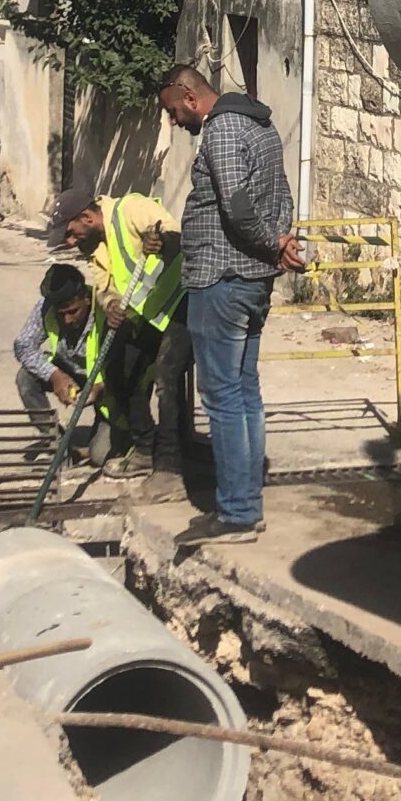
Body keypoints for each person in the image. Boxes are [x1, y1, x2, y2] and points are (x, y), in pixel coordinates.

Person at [156, 64, 305, 544]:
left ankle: (237, 512)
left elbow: (237, 208)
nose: (174, 121)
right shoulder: (262, 125)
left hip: (222, 280)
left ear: (189, 96)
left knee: (221, 397)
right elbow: (282, 195)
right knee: (244, 393)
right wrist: (279, 242)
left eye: (173, 111)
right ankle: (247, 501)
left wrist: (271, 242)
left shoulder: (221, 130)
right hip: (252, 280)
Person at [49, 184, 189, 504]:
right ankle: (144, 448)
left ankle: (170, 469)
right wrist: (111, 304)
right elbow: (104, 287)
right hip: (148, 315)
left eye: (70, 233)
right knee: (120, 369)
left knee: (167, 377)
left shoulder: (131, 209)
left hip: (182, 303)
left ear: (87, 218)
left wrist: (162, 242)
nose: (70, 242)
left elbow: (177, 237)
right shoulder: (95, 248)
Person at [12, 261, 113, 465]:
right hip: (71, 371)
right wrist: (54, 375)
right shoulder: (47, 307)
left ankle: (128, 440)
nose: (66, 320)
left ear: (86, 299)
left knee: (100, 455)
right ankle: (56, 444)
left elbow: (129, 368)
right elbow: (23, 345)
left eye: (73, 311)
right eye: (61, 314)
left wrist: (100, 387)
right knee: (25, 378)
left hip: (108, 384)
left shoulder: (106, 311)